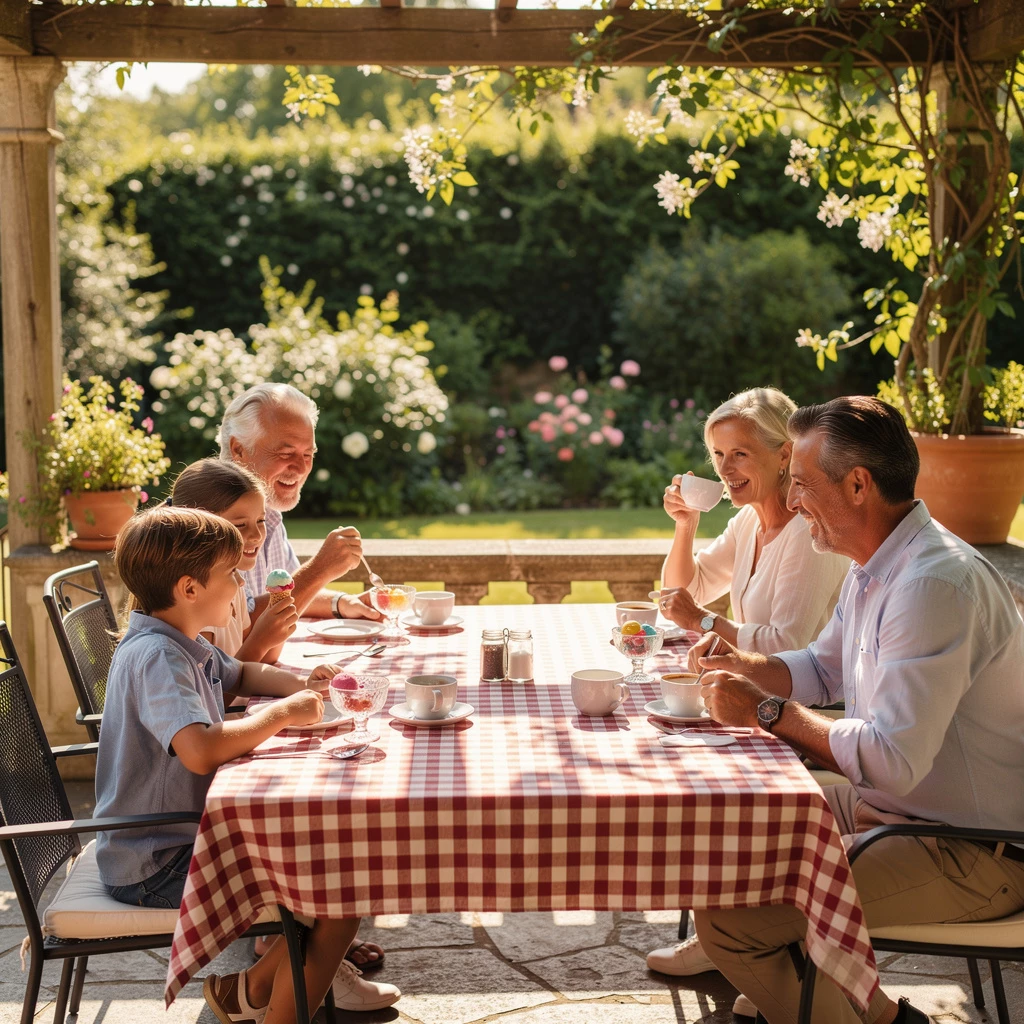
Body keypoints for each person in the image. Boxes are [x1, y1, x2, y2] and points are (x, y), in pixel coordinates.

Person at [680, 396, 1024, 1024]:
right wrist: (737, 664)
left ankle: (849, 1012)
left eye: (803, 484)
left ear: (859, 484)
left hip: (966, 852)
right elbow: (821, 666)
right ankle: (872, 1014)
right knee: (723, 844)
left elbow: (892, 759)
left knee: (731, 920)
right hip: (898, 816)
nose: (793, 501)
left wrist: (766, 711)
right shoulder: (880, 564)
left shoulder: (931, 585)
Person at [95, 506, 400, 1021]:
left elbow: (244, 675)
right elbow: (200, 750)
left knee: (337, 871)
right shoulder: (159, 657)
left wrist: (304, 684)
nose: (240, 584)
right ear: (190, 588)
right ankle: (272, 1008)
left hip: (180, 839)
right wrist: (282, 715)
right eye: (231, 574)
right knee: (339, 890)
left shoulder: (182, 640)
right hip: (154, 860)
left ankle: (250, 993)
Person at [658, 387, 848, 654]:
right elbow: (684, 592)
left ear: (785, 454)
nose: (724, 470)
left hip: (809, 696)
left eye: (740, 454)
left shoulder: (808, 532)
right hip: (758, 687)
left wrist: (701, 620)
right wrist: (685, 524)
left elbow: (786, 645)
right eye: (719, 454)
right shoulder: (748, 521)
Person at [217, 383, 381, 622]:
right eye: (285, 454)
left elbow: (285, 594)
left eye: (308, 454)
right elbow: (239, 625)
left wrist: (342, 603)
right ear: (238, 450)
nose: (302, 468)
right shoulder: (208, 526)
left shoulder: (269, 514)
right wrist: (318, 571)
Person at [171, 459, 298, 663]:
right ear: (197, 529)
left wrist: (277, 629)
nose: (257, 535)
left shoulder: (235, 583)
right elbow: (216, 691)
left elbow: (260, 660)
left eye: (261, 521)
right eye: (240, 525)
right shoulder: (195, 600)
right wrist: (261, 640)